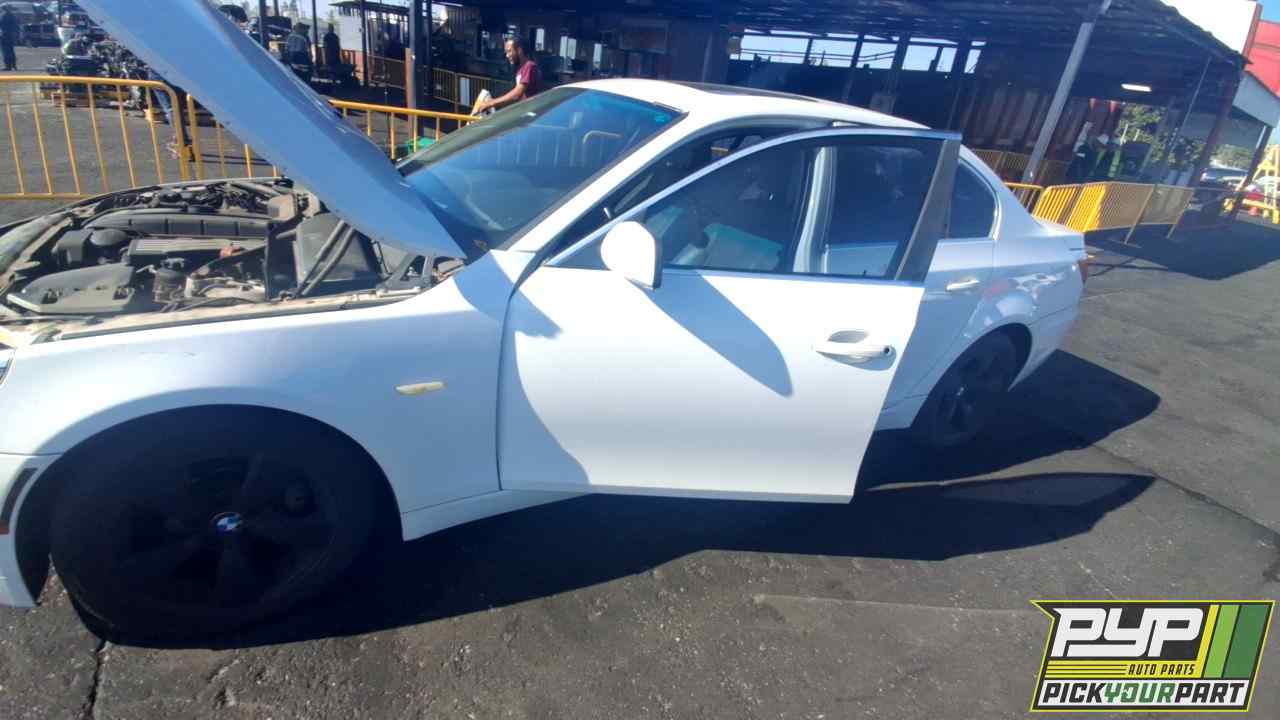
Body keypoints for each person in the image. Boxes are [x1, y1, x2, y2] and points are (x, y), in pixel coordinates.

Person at [475, 37, 541, 113]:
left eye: (509, 51)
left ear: (519, 50)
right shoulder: (520, 69)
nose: (507, 55)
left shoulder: (529, 66)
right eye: (506, 52)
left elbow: (517, 94)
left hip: (530, 113)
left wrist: (491, 103)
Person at [0, 7, 19, 72]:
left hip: (5, 34)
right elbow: (16, 26)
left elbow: (1, 23)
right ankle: (14, 65)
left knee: (6, 51)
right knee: (11, 50)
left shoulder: (4, 15)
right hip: (11, 35)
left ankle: (8, 66)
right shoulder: (13, 15)